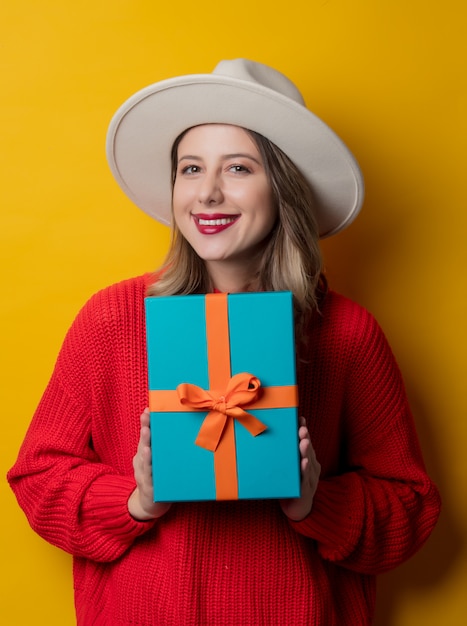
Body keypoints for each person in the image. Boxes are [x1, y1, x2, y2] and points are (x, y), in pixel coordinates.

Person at [8, 59, 441, 626]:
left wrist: (317, 503)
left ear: (282, 187)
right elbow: (37, 477)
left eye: (237, 168)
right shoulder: (113, 319)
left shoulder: (346, 333)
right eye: (191, 169)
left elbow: (410, 507)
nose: (208, 193)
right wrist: (136, 500)